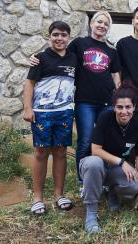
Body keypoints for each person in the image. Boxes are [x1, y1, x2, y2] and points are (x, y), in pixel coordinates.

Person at [30, 11, 121, 183]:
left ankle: (107, 181)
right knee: (85, 141)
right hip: (84, 102)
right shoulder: (79, 43)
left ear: (108, 28)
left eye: (106, 24)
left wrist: (119, 95)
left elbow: (116, 74)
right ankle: (82, 180)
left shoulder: (111, 51)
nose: (102, 25)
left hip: (107, 102)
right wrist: (36, 57)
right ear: (91, 24)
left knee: (108, 141)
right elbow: (59, 53)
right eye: (98, 22)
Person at [79, 81, 138, 234]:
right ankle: (91, 213)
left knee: (135, 185)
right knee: (95, 163)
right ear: (114, 107)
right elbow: (95, 150)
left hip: (113, 170)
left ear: (134, 107)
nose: (124, 111)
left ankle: (112, 192)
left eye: (128, 107)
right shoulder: (105, 118)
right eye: (120, 107)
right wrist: (121, 162)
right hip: (92, 165)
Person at [23, 21, 77, 215]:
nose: (59, 38)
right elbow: (29, 83)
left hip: (64, 113)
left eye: (63, 35)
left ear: (68, 38)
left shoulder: (74, 58)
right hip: (42, 114)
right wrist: (27, 108)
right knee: (41, 152)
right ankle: (38, 198)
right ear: (49, 37)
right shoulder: (40, 58)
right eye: (55, 35)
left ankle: (58, 195)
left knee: (61, 152)